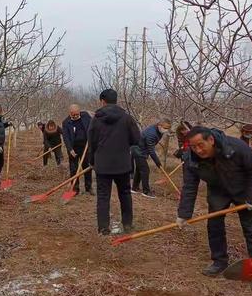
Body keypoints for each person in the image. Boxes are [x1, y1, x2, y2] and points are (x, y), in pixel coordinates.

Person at [176, 126, 252, 291]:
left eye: (200, 145)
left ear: (210, 140)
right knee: (214, 225)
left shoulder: (236, 147)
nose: (198, 150)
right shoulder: (191, 158)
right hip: (218, 191)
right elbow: (189, 186)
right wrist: (183, 214)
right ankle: (219, 261)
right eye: (193, 146)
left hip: (244, 190)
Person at [88, 89, 140, 235]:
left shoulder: (96, 119)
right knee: (125, 194)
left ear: (102, 101)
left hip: (103, 165)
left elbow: (91, 143)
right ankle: (128, 224)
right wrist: (124, 144)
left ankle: (103, 228)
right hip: (122, 164)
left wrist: (92, 161)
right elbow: (136, 139)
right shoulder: (127, 118)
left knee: (103, 196)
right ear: (116, 100)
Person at [131, 118, 172, 198]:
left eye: (167, 128)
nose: (166, 130)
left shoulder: (158, 130)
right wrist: (158, 163)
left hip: (141, 150)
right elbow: (151, 150)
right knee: (145, 170)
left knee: (140, 170)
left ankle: (134, 188)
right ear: (159, 125)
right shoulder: (151, 134)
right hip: (138, 151)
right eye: (165, 128)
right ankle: (146, 192)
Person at [62, 104, 92, 194]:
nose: (75, 116)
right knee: (74, 169)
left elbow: (92, 125)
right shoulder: (66, 122)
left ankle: (88, 187)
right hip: (73, 148)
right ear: (69, 113)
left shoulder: (86, 116)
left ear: (79, 112)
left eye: (76, 114)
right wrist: (70, 149)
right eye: (73, 115)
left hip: (85, 146)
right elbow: (66, 137)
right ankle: (75, 189)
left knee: (87, 167)